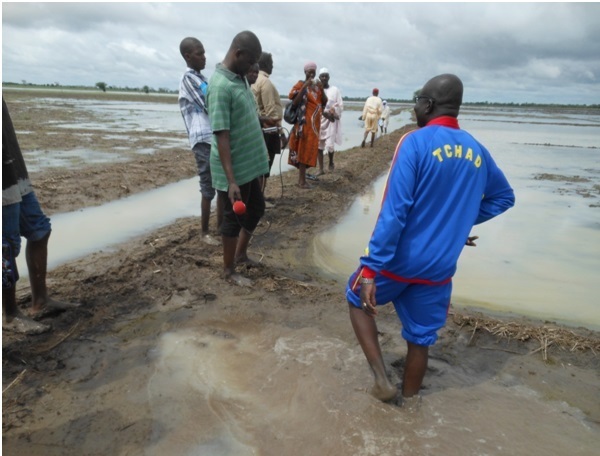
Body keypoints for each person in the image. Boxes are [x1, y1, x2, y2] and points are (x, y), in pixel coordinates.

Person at [345, 74, 515, 407]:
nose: (414, 107)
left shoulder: (415, 142)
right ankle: (410, 407)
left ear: (429, 104)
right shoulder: (477, 149)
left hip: (400, 259)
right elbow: (503, 198)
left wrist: (369, 268)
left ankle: (381, 379)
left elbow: (394, 212)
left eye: (417, 100)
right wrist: (457, 222)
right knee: (420, 340)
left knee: (356, 299)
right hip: (439, 267)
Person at [3, 98, 80, 335]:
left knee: (39, 229)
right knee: (5, 248)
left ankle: (41, 298)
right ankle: (10, 314)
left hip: (11, 167)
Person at [207, 31, 269, 287]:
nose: (254, 66)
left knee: (256, 209)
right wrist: (231, 181)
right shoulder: (220, 87)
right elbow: (222, 136)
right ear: (238, 54)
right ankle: (229, 270)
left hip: (248, 167)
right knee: (232, 221)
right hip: (233, 171)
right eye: (251, 61)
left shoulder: (239, 78)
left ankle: (241, 254)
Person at [178, 37, 223, 247]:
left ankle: (221, 226)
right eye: (200, 53)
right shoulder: (189, 79)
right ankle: (204, 232)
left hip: (212, 136)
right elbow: (209, 105)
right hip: (203, 138)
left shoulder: (202, 79)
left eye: (204, 53)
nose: (204, 57)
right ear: (188, 56)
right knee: (208, 185)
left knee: (221, 182)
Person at [287, 62, 327, 189]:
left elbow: (324, 102)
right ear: (305, 72)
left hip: (314, 126)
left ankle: (302, 179)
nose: (311, 73)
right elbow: (294, 102)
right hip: (303, 124)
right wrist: (305, 86)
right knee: (303, 149)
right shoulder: (300, 84)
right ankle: (301, 181)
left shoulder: (317, 88)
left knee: (308, 150)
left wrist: (321, 89)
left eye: (313, 71)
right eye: (309, 71)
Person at [251, 52, 283, 197]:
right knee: (264, 167)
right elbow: (271, 112)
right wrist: (280, 132)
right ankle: (260, 198)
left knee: (257, 167)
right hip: (268, 130)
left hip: (255, 128)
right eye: (271, 63)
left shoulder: (253, 80)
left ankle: (256, 199)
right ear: (265, 64)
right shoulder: (265, 82)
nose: (273, 66)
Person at [314, 67, 343, 176]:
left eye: (326, 75)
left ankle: (331, 161)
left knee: (330, 145)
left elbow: (340, 105)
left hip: (330, 121)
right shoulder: (316, 90)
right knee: (319, 146)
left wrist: (334, 110)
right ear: (319, 78)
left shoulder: (335, 90)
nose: (324, 77)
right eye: (322, 76)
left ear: (329, 77)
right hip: (319, 120)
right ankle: (321, 169)